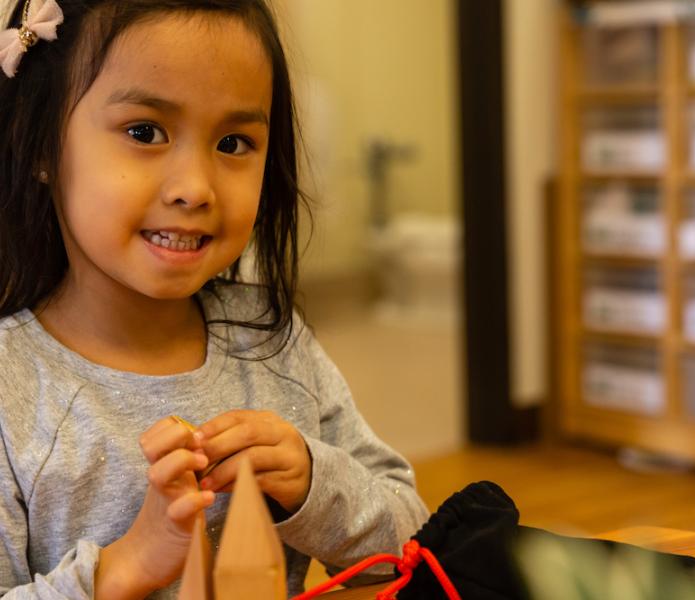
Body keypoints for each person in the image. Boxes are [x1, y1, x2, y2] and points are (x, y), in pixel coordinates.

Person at [0, 0, 430, 598]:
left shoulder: (270, 337)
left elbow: (412, 546)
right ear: (41, 145)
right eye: (145, 132)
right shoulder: (12, 387)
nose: (196, 189)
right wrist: (123, 567)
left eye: (233, 142)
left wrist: (311, 483)